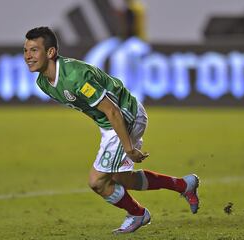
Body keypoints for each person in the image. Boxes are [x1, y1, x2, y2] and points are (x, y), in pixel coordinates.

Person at [23, 26, 199, 235]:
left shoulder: (75, 77)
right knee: (120, 179)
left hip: (125, 116)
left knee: (97, 181)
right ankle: (183, 185)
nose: (28, 56)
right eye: (25, 50)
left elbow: (112, 111)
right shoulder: (44, 82)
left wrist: (129, 148)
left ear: (50, 52)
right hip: (110, 123)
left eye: (34, 50)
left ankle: (138, 214)